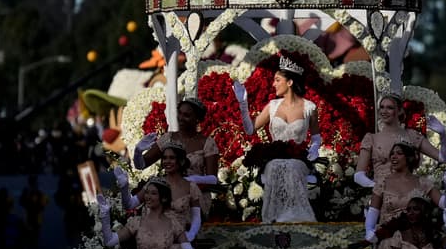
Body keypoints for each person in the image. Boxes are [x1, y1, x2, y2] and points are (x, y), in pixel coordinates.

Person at [234, 55, 321, 223]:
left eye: (277, 80)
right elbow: (250, 129)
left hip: (298, 159)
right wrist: (243, 104)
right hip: (273, 159)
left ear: (289, 82)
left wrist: (314, 148)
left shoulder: (309, 107)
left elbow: (316, 136)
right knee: (275, 166)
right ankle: (275, 218)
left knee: (293, 166)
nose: (273, 84)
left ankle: (296, 218)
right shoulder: (272, 106)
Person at [132, 98, 220, 217]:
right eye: (180, 113)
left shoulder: (207, 143)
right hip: (168, 193)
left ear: (197, 119)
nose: (181, 118)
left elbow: (212, 180)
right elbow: (141, 165)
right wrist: (138, 152)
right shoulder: (168, 138)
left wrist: (188, 182)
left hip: (195, 197)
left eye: (187, 115)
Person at [354, 92, 446, 189]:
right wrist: (377, 187)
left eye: (389, 108)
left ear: (399, 111)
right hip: (382, 197)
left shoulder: (412, 135)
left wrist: (442, 134)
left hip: (409, 194)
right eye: (382, 107)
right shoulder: (371, 138)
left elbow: (444, 158)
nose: (384, 111)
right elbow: (358, 176)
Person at [19, 175, 49, 249]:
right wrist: (42, 206)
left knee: (31, 228)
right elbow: (45, 200)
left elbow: (21, 201)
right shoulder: (38, 190)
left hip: (30, 212)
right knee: (35, 229)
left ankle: (31, 244)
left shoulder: (27, 190)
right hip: (36, 213)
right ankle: (33, 244)